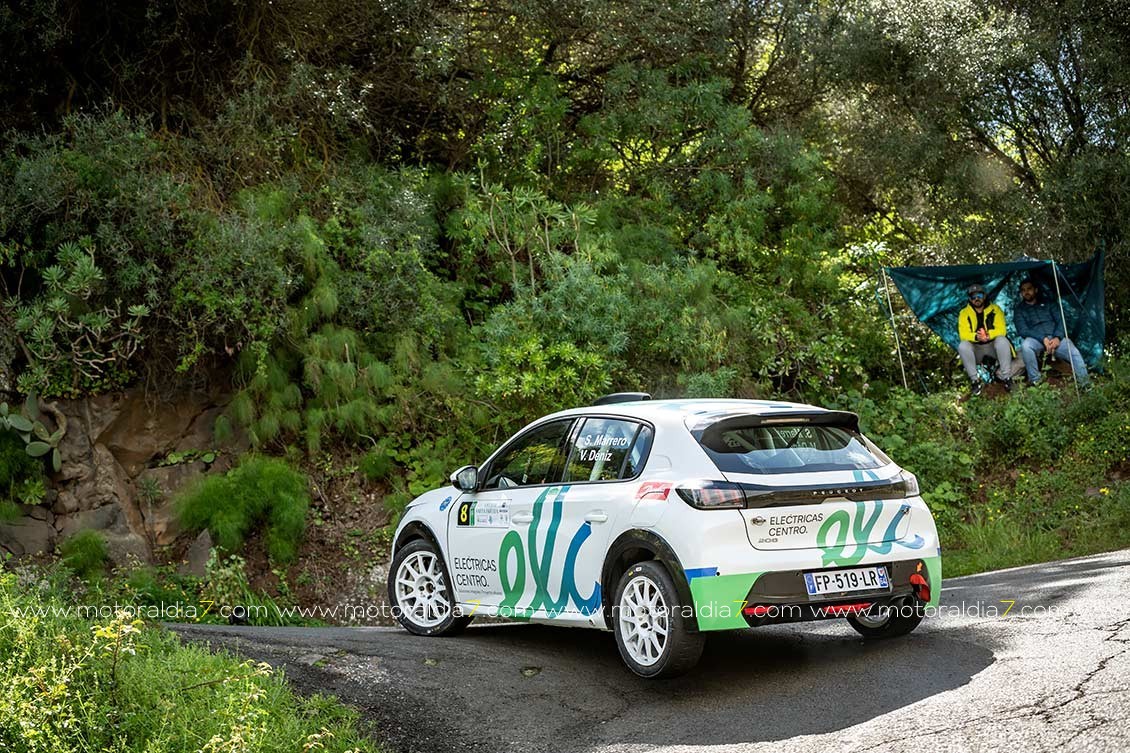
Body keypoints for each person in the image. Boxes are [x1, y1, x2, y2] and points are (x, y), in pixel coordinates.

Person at [1013, 278, 1090, 387]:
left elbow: (1061, 320)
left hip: (1055, 337)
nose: (1026, 292)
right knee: (1026, 346)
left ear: (1036, 290)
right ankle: (1035, 381)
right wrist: (1042, 338)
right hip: (1036, 339)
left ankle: (1085, 384)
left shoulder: (1049, 303)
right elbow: (1023, 330)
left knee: (1073, 351)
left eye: (1029, 289)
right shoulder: (1019, 309)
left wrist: (1057, 337)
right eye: (1023, 290)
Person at [957, 284, 1012, 396]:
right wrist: (977, 337)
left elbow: (1002, 330)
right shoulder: (964, 313)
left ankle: (1007, 378)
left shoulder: (995, 309)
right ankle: (975, 381)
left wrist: (987, 335)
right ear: (969, 299)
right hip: (976, 349)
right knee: (963, 346)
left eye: (979, 295)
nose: (977, 298)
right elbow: (963, 334)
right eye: (973, 296)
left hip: (993, 346)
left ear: (985, 296)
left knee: (1002, 340)